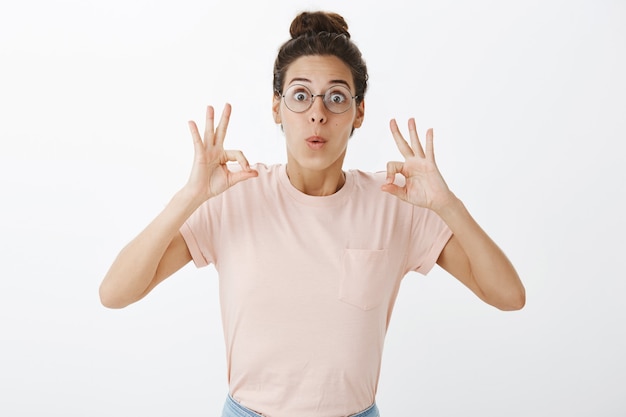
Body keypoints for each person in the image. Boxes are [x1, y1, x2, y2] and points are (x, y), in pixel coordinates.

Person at [99, 10, 525, 417]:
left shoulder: (395, 201)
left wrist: (449, 206)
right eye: (300, 95)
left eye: (336, 97)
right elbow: (115, 293)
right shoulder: (235, 196)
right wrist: (188, 197)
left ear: (359, 111)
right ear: (276, 106)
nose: (317, 113)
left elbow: (508, 296)